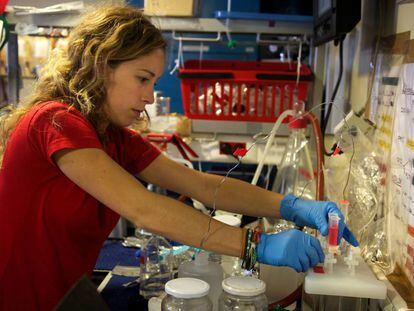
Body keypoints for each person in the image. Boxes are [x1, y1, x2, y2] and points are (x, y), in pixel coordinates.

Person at [0, 5, 358, 311]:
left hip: (66, 294)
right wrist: (255, 247)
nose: (150, 96)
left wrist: (292, 206)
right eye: (142, 79)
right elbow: (145, 209)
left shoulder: (112, 138)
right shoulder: (55, 121)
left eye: (152, 81)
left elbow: (202, 185)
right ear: (100, 65)